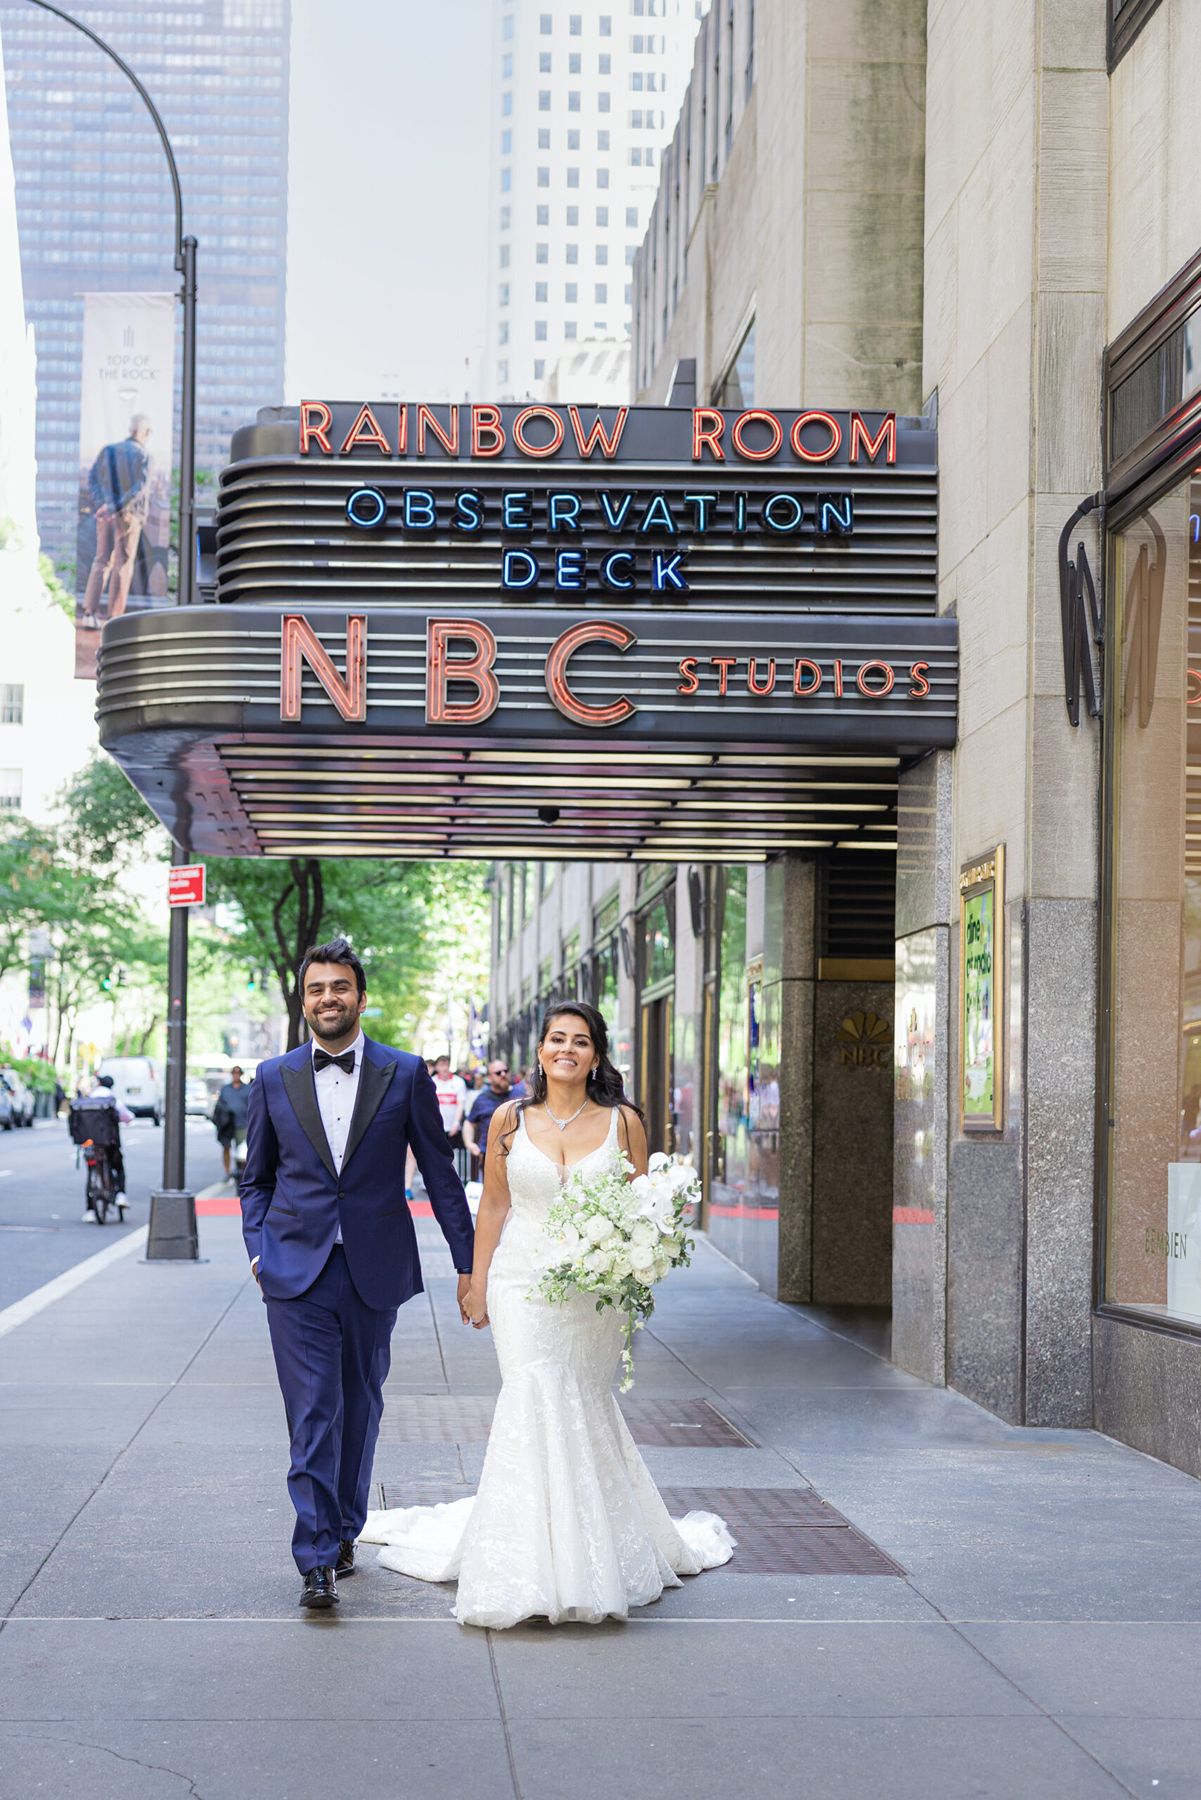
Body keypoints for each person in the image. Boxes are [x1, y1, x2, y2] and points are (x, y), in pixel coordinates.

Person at [363, 999, 733, 1628]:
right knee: (532, 1397)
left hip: (593, 1290)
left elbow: (642, 1206)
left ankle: (597, 1544)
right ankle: (526, 1560)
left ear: (596, 1054)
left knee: (582, 1403)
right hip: (522, 1283)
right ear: (539, 1051)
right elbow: (495, 1209)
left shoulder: (624, 1123)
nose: (567, 1049)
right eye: (557, 1039)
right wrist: (475, 1282)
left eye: (580, 1041)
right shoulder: (508, 1119)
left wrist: (634, 1265)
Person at [239, 937, 474, 1611]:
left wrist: (467, 1264)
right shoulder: (272, 1076)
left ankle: (345, 1528)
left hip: (375, 1267)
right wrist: (258, 1250)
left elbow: (438, 1173)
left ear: (360, 998)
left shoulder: (402, 1074)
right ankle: (314, 1557)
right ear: (303, 1000)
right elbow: (254, 1180)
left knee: (360, 1405)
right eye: (316, 990)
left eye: (339, 988)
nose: (327, 999)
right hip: (293, 1270)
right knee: (314, 1409)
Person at [80, 414, 152, 628]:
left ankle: (88, 613)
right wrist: (116, 507)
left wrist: (104, 504)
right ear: (145, 433)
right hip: (128, 515)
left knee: (101, 560)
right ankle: (113, 620)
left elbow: (92, 478)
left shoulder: (108, 450)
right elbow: (139, 489)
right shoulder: (144, 455)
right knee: (123, 564)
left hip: (105, 514)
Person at [77, 1073, 131, 1221]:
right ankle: (121, 1194)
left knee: (91, 1172)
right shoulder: (112, 1100)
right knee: (118, 1166)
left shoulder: (87, 1100)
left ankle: (90, 1210)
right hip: (109, 1143)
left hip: (90, 1144)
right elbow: (127, 1117)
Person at [461, 1058, 520, 1171]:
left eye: (505, 1071)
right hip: (489, 1157)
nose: (503, 1074)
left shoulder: (521, 1095)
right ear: (489, 1077)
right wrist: (469, 1143)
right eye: (498, 1073)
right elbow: (469, 1122)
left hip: (517, 1157)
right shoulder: (481, 1099)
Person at [213, 1065, 250, 1178]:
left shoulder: (247, 1089)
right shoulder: (225, 1089)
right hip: (227, 1124)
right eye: (234, 1073)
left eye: (238, 1073)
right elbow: (219, 1106)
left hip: (242, 1123)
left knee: (243, 1150)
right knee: (226, 1147)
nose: (236, 1075)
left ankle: (241, 1172)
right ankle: (227, 1172)